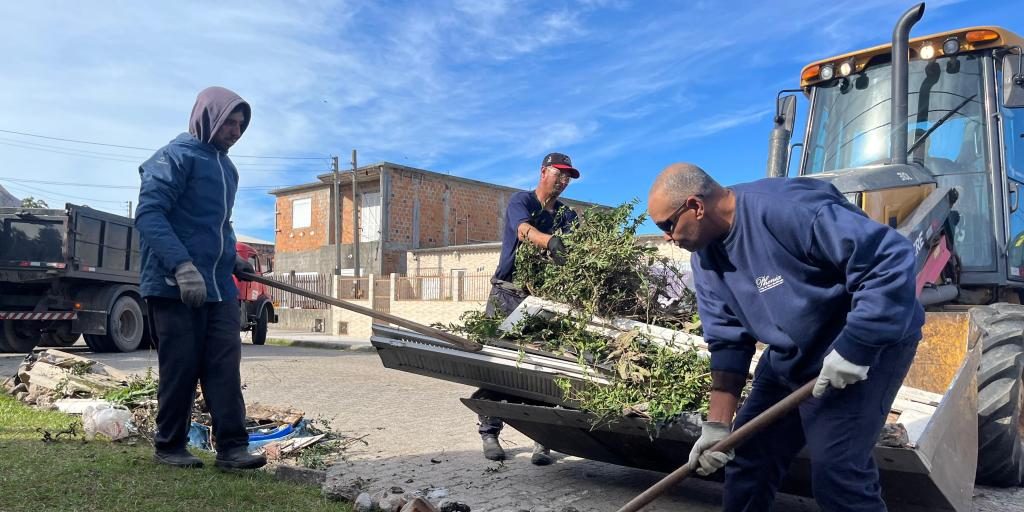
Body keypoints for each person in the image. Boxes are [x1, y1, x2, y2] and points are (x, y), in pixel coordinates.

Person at [647, 163, 923, 511]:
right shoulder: (705, 260)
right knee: (748, 454)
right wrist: (717, 427)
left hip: (866, 339)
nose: (667, 238)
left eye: (667, 226)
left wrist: (858, 345)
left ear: (696, 207)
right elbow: (729, 341)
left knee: (838, 469)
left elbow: (890, 257)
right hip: (794, 352)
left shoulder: (787, 210)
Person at [135, 86, 265, 470]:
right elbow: (150, 215)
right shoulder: (175, 157)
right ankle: (169, 445)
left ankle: (232, 448)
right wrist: (181, 265)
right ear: (207, 117)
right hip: (174, 284)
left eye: (242, 124)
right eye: (230, 121)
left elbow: (219, 225)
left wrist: (232, 258)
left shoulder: (228, 169)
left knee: (224, 366)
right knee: (182, 366)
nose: (236, 130)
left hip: (218, 286)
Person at [475, 152, 580, 465]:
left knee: (543, 367)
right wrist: (549, 242)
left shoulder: (567, 216)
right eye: (558, 174)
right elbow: (523, 230)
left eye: (567, 177)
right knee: (496, 363)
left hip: (543, 300)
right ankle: (490, 432)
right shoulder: (521, 201)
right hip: (506, 294)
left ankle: (542, 440)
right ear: (543, 171)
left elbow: (576, 246)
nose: (562, 181)